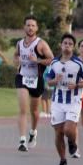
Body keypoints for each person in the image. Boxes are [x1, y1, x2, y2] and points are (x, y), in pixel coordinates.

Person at [45, 33, 83, 165]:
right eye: (65, 43)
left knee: (68, 129)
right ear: (61, 45)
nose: (67, 46)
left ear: (73, 47)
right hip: (58, 101)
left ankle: (72, 142)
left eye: (70, 44)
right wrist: (54, 81)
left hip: (74, 100)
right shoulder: (54, 63)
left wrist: (76, 85)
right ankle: (62, 160)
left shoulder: (79, 63)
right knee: (58, 132)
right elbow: (48, 81)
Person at [13, 15, 54, 152]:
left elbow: (51, 59)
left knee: (35, 111)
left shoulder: (41, 44)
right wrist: (16, 61)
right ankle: (22, 140)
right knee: (23, 109)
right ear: (24, 27)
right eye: (28, 25)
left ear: (36, 28)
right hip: (22, 77)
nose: (30, 27)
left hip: (37, 79)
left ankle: (33, 132)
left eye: (32, 25)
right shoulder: (19, 43)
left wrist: (37, 61)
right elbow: (15, 55)